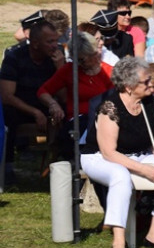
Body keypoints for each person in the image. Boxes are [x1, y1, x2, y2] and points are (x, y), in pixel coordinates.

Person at [80, 57, 154, 248]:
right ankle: (118, 239)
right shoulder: (110, 107)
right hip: (99, 157)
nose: (151, 84)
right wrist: (145, 170)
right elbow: (109, 152)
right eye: (145, 81)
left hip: (137, 154)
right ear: (128, 86)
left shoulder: (151, 102)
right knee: (120, 176)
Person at [36, 32, 113, 160]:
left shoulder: (108, 71)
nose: (79, 63)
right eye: (76, 59)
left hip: (104, 117)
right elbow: (43, 91)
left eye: (82, 59)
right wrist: (53, 104)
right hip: (78, 119)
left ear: (93, 54)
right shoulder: (70, 70)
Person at [1, 17, 62, 165]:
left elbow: (65, 96)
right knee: (7, 114)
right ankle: (7, 167)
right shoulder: (15, 58)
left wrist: (60, 67)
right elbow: (6, 96)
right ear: (35, 43)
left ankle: (61, 163)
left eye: (56, 41)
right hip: (20, 107)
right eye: (50, 42)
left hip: (47, 105)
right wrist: (35, 112)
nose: (55, 46)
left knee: (70, 112)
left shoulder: (56, 59)